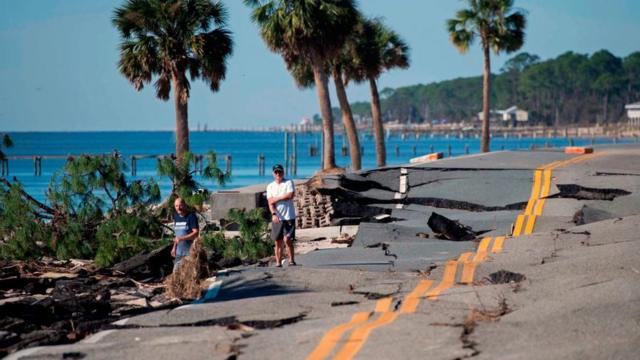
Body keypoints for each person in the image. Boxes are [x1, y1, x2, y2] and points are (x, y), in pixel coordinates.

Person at [266, 164, 296, 267]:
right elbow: (270, 202)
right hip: (277, 217)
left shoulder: (288, 182)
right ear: (273, 173)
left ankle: (291, 260)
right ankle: (278, 263)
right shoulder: (270, 186)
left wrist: (276, 198)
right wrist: (274, 214)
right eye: (276, 172)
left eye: (280, 172)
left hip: (289, 217)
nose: (278, 174)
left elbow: (290, 195)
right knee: (278, 242)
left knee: (287, 239)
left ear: (283, 172)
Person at [171, 197, 199, 266]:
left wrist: (182, 238)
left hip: (190, 253)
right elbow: (177, 235)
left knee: (189, 274)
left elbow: (196, 233)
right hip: (179, 252)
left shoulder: (191, 216)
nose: (178, 208)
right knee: (176, 274)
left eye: (180, 205)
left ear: (184, 205)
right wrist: (174, 248)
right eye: (176, 206)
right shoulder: (176, 216)